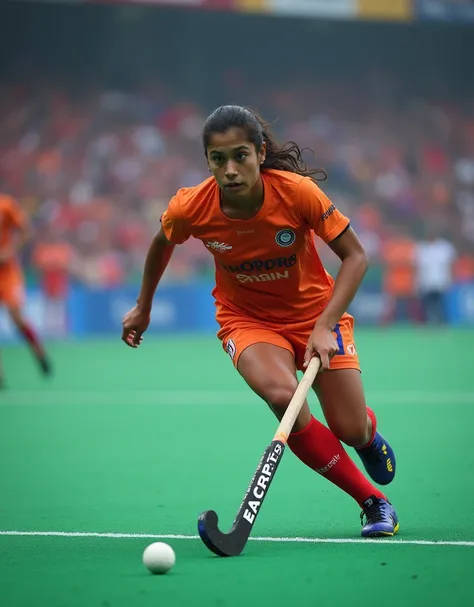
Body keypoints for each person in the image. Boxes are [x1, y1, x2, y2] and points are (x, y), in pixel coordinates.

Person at [122, 105, 399, 537]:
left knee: (349, 426)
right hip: (246, 320)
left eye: (240, 156)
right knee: (283, 396)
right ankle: (374, 502)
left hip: (315, 316)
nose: (230, 170)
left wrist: (325, 325)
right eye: (218, 160)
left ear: (259, 152)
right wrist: (144, 306)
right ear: (208, 161)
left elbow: (356, 256)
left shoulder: (297, 193)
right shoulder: (190, 206)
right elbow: (162, 242)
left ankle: (367, 436)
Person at [0, 192, 52, 388]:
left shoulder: (5, 205)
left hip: (7, 272)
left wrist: (10, 251)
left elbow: (25, 231)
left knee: (16, 317)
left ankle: (39, 353)